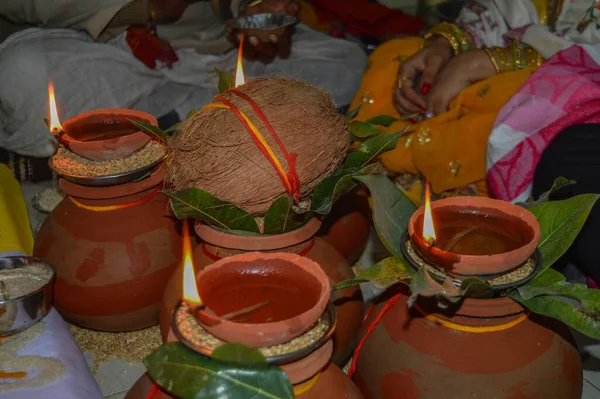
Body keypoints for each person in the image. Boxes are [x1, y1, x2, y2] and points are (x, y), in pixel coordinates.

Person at [349, 0, 600, 285]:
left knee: (491, 119)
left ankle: (469, 252)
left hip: (572, 84)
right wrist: (448, 45)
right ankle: (399, 231)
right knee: (392, 58)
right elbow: (500, 8)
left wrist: (507, 61)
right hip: (504, 54)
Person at [0, 0, 367, 157]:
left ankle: (162, 125)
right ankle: (208, 118)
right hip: (108, 51)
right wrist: (143, 7)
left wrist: (258, 8)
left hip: (220, 48)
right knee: (22, 73)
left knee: (346, 62)